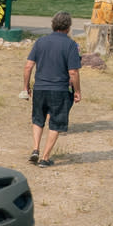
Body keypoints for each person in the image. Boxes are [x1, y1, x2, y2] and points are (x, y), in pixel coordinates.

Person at [22, 11, 83, 167]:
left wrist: (26, 86)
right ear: (68, 27)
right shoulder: (70, 45)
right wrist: (77, 91)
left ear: (53, 24)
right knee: (55, 123)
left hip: (40, 87)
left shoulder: (41, 42)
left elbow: (28, 66)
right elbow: (73, 72)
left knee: (38, 119)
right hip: (59, 90)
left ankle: (35, 148)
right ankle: (45, 157)